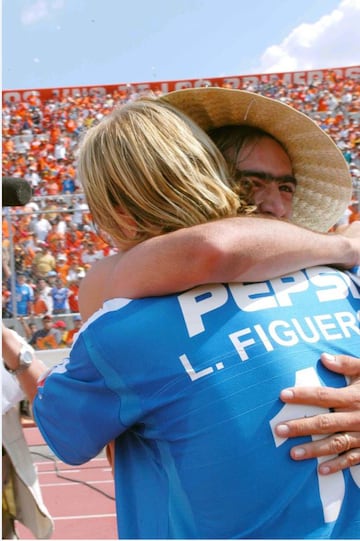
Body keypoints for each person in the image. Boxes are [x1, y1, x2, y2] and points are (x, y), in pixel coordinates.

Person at [2, 98, 360, 538]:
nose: (274, 205)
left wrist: (17, 356)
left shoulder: (127, 326)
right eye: (253, 184)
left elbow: (63, 432)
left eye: (285, 187)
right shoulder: (343, 281)